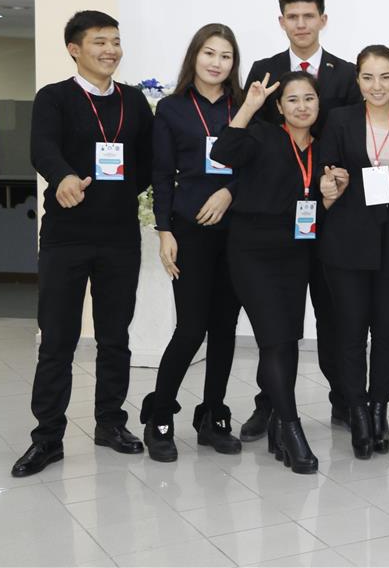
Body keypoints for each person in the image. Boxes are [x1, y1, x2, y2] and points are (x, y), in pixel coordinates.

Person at [13, 11, 154, 478]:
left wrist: (122, 192)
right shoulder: (54, 97)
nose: (111, 50)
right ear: (75, 49)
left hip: (119, 238)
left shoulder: (134, 101)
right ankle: (47, 438)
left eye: (115, 41)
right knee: (58, 340)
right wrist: (63, 177)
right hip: (66, 237)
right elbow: (42, 148)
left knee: (115, 338)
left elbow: (148, 161)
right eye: (99, 42)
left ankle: (110, 423)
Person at [238, 0, 360, 440]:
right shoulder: (264, 70)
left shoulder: (346, 74)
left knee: (333, 316)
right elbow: (247, 144)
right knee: (278, 326)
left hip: (329, 214)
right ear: (282, 22)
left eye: (310, 16)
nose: (302, 24)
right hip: (276, 220)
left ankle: (343, 399)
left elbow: (353, 137)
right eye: (293, 16)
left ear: (323, 20)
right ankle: (269, 405)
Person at [211, 70, 328, 474]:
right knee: (275, 338)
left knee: (288, 339)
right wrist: (249, 106)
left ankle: (278, 425)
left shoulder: (322, 148)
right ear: (279, 106)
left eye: (309, 98)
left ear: (319, 103)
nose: (302, 106)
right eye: (292, 99)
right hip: (253, 253)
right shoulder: (262, 136)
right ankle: (292, 430)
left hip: (296, 254)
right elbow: (223, 152)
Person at [141, 24, 245, 462]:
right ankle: (160, 415)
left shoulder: (245, 105)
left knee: (224, 328)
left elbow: (259, 164)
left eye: (225, 55)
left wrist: (229, 192)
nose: (216, 63)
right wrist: (164, 231)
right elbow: (162, 174)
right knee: (190, 328)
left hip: (237, 231)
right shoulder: (172, 108)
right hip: (190, 229)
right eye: (209, 53)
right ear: (194, 57)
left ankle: (212, 415)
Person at [317, 45, 389, 459]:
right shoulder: (340, 119)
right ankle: (356, 410)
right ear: (357, 80)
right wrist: (331, 181)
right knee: (351, 330)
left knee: (388, 329)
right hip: (347, 238)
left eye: (386, 77)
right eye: (369, 77)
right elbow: (324, 168)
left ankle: (379, 410)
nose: (378, 86)